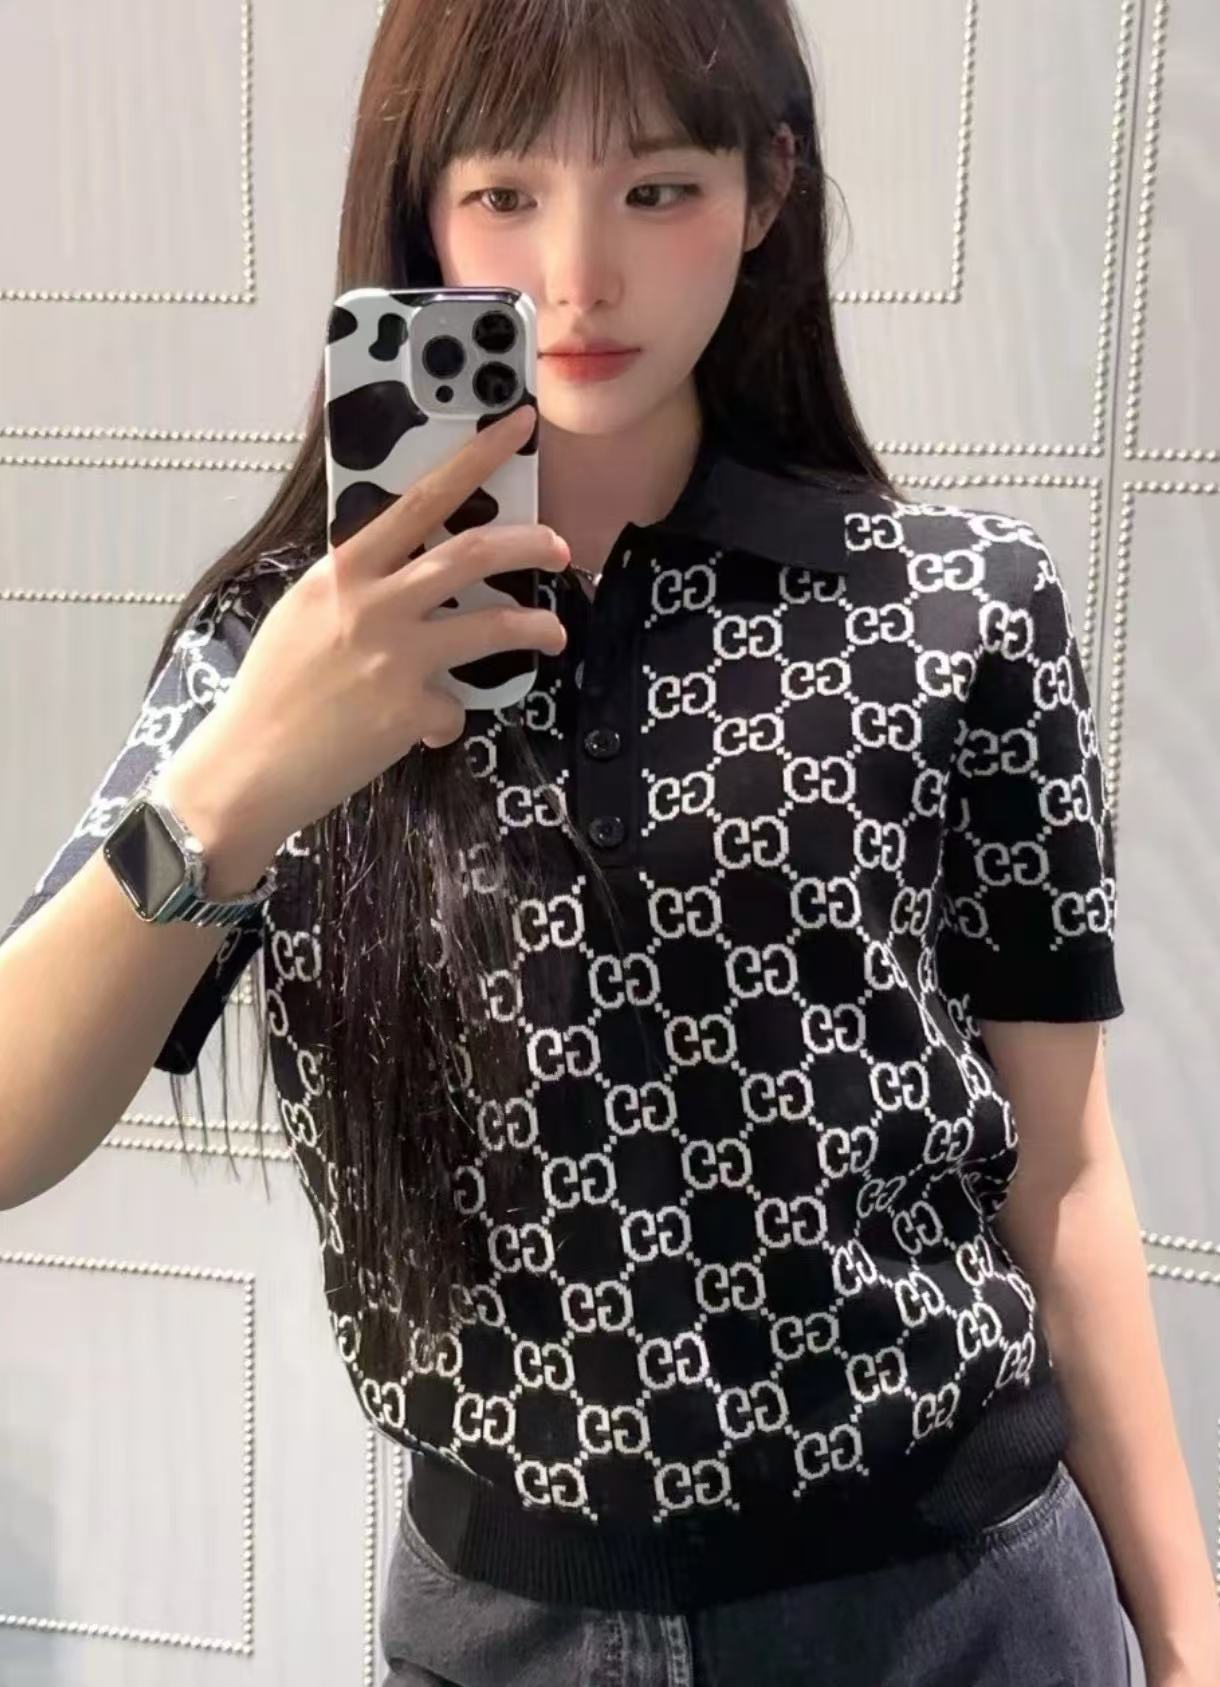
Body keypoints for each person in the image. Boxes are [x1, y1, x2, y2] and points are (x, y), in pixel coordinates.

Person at [2, 0, 1218, 1683]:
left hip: (948, 1604)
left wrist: (1191, 1632)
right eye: (506, 193)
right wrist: (243, 781)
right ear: (424, 211)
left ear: (765, 186)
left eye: (656, 190)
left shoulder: (960, 612)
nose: (578, 276)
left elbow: (1062, 1166)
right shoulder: (279, 654)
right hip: (503, 1627)